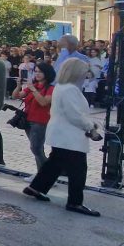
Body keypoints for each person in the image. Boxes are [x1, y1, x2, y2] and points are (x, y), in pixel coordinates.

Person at [23, 59, 103, 217]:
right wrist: (90, 126)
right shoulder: (70, 90)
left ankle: (36, 187)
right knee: (78, 169)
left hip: (61, 133)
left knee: (55, 163)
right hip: (69, 136)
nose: (86, 74)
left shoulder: (61, 87)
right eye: (84, 71)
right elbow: (74, 115)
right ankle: (75, 202)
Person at [12, 62, 55, 171]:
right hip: (28, 120)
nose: (37, 74)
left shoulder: (51, 88)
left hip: (40, 121)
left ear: (47, 73)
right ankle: (41, 172)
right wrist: (18, 86)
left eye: (40, 71)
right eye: (35, 71)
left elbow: (44, 102)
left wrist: (34, 90)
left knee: (36, 148)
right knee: (36, 149)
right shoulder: (34, 86)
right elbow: (16, 96)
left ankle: (48, 173)